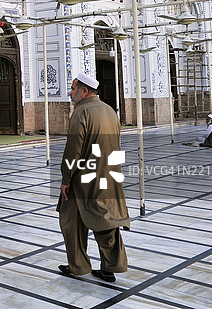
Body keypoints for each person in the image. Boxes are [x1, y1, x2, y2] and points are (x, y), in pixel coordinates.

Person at [58, 73, 130, 283]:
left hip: (83, 179)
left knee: (71, 221)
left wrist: (66, 179)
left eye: (73, 89)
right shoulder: (109, 111)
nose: (70, 93)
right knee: (106, 221)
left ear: (84, 91)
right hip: (109, 176)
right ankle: (111, 267)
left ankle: (78, 267)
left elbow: (73, 150)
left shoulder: (81, 113)